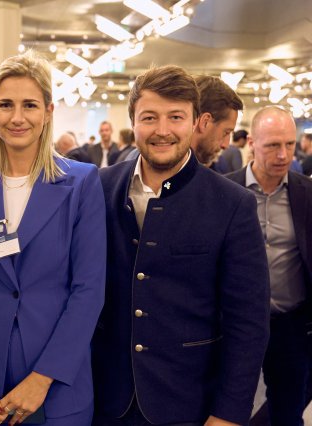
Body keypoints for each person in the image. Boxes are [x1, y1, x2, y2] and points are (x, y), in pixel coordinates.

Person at [92, 65, 270, 426]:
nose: (162, 130)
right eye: (149, 117)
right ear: (133, 122)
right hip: (104, 399)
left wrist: (228, 414)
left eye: (175, 117)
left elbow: (248, 322)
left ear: (195, 122)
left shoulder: (231, 204)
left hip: (189, 403)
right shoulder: (98, 189)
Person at [0, 51, 107, 426]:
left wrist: (43, 378)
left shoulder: (81, 182)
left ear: (48, 111)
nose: (17, 117)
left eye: (29, 105)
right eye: (6, 105)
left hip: (58, 381)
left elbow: (89, 290)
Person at [226, 106, 312, 425]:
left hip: (291, 326)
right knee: (228, 409)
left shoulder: (307, 194)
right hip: (235, 326)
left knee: (288, 413)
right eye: (273, 145)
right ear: (252, 143)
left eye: (289, 144)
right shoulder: (225, 191)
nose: (283, 155)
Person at [124, 75, 243, 168]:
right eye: (226, 133)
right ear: (204, 122)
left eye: (175, 117)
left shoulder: (214, 170)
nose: (225, 145)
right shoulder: (137, 164)